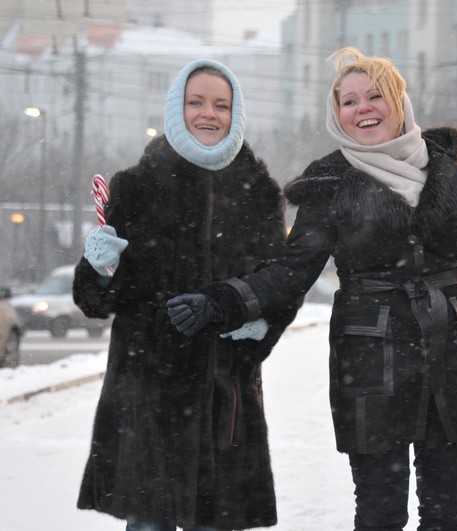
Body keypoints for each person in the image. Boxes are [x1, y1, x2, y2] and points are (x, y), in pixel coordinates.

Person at [166, 47, 457, 531]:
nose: (362, 108)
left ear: (398, 101)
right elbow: (290, 272)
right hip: (370, 364)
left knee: (447, 514)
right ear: (337, 113)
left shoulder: (452, 171)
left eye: (374, 96)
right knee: (379, 515)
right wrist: (219, 303)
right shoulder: (328, 185)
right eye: (348, 101)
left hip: (450, 357)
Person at [73, 58, 299, 531]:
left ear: (235, 113)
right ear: (177, 109)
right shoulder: (135, 186)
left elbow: (282, 282)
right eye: (196, 102)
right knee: (150, 522)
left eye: (221, 104)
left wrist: (257, 325)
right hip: (147, 392)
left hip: (226, 391)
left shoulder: (260, 192)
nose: (208, 114)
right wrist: (97, 266)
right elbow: (97, 301)